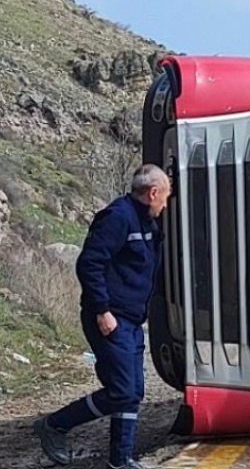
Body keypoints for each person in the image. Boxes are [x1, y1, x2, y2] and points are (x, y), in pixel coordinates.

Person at [35, 164, 171, 469]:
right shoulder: (118, 217)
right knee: (122, 391)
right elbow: (89, 264)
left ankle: (121, 459)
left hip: (132, 321)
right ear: (153, 193)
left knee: (132, 392)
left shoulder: (148, 223)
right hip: (111, 319)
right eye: (165, 196)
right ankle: (56, 425)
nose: (166, 204)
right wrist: (102, 310)